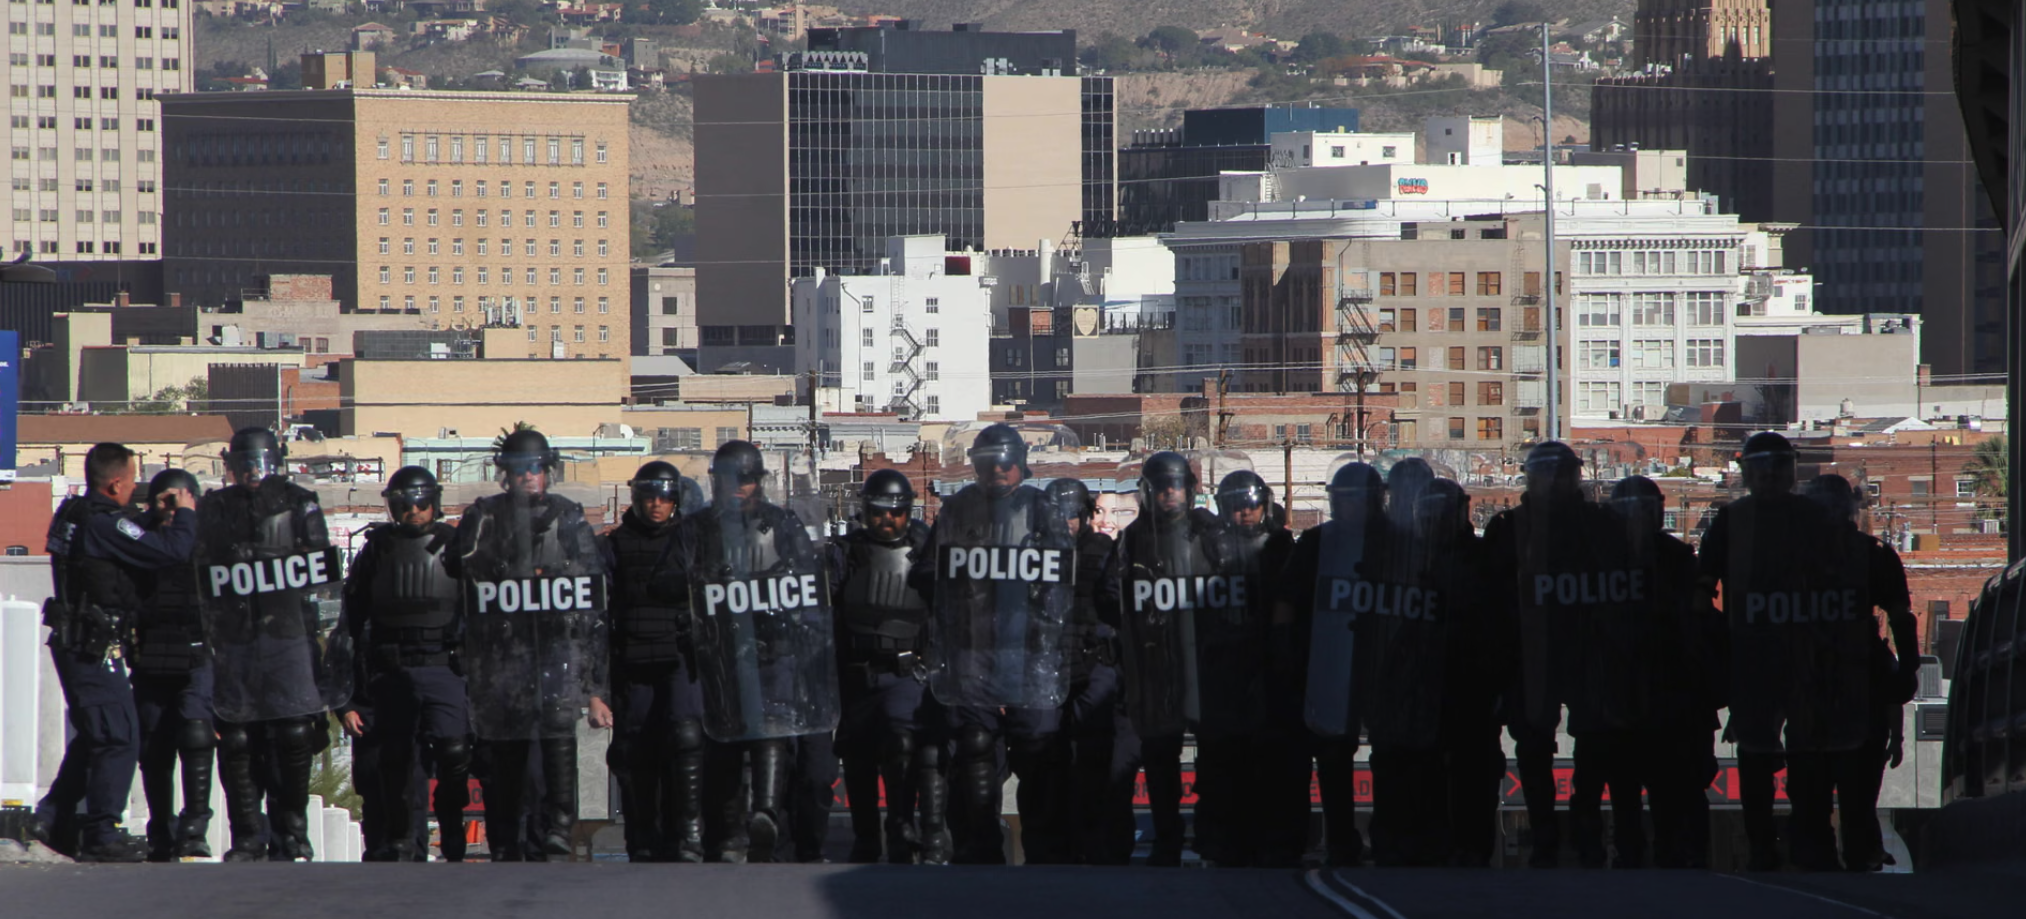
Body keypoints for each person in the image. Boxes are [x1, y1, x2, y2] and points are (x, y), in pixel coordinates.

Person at [908, 423, 1076, 865]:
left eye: (1005, 462)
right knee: (975, 749)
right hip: (973, 651)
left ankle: (1044, 859)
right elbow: (925, 574)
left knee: (1038, 756)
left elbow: (1064, 585)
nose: (998, 471)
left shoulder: (1044, 510)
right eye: (987, 463)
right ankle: (979, 854)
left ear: (1021, 462)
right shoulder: (958, 509)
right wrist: (961, 584)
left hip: (1030, 654)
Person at [450, 428, 613, 861]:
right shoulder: (484, 516)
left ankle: (557, 830)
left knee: (558, 744)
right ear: (506, 474)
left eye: (536, 468)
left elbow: (594, 590)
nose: (528, 477)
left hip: (556, 652)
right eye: (520, 469)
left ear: (549, 471)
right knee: (503, 754)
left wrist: (594, 682)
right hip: (501, 657)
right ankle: (505, 837)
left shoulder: (568, 516)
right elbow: (457, 569)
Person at [673, 440, 836, 863]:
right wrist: (702, 587)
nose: (737, 487)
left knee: (773, 732)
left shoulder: (782, 525)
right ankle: (727, 836)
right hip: (722, 655)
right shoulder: (696, 528)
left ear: (758, 482)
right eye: (729, 479)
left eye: (745, 479)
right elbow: (664, 582)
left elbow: (812, 590)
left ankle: (765, 815)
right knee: (723, 747)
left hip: (776, 651)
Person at [33, 443, 195, 862]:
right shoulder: (103, 524)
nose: (136, 486)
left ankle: (52, 817)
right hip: (92, 643)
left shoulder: (76, 514)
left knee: (95, 736)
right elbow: (168, 552)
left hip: (75, 639)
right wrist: (186, 515)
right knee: (119, 735)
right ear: (116, 483)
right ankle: (102, 831)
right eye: (132, 480)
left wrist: (147, 516)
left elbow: (120, 541)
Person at [197, 427, 350, 862]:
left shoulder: (299, 504)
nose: (251, 471)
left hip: (287, 636)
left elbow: (323, 580)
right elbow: (200, 570)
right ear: (230, 465)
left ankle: (293, 834)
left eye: (258, 461)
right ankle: (247, 836)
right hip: (235, 640)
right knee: (238, 738)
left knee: (293, 733)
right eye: (243, 462)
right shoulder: (216, 509)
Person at [1697, 432, 1838, 871]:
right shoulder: (1731, 521)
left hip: (1806, 656)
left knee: (1808, 754)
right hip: (1753, 658)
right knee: (1756, 756)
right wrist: (1720, 648)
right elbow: (1703, 593)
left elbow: (1840, 584)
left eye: (1780, 467)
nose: (1772, 476)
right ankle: (1762, 845)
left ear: (1792, 471)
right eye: (1763, 468)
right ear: (1747, 473)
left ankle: (1809, 839)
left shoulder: (1814, 519)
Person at [1481, 441, 1622, 869]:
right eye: (1547, 474)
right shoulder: (1510, 528)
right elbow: (1495, 603)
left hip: (1585, 649)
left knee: (1594, 742)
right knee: (1533, 747)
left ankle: (1584, 825)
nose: (1556, 482)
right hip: (1530, 654)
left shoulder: (1600, 524)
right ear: (1532, 478)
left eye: (1563, 474)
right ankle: (1545, 832)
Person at [340, 465, 472, 862]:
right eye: (404, 504)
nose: (413, 511)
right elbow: (352, 614)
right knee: (396, 757)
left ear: (434, 503)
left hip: (443, 666)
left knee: (453, 752)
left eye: (420, 503)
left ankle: (450, 822)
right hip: (392, 670)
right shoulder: (377, 549)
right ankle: (401, 838)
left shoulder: (457, 545)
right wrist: (348, 689)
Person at [1794, 474, 1917, 872]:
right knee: (1849, 792)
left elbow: (1901, 617)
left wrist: (1907, 671)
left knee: (1828, 792)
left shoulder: (1795, 558)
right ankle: (1850, 859)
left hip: (1829, 683)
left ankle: (1834, 861)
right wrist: (1907, 671)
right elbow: (1900, 617)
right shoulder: (1873, 554)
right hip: (1833, 684)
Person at [1273, 460, 1388, 867]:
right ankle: (1337, 840)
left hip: (1381, 666)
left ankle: (1388, 837)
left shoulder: (1394, 544)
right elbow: (1286, 600)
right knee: (1331, 756)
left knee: (1391, 757)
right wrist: (1289, 655)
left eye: (1358, 500)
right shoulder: (1317, 543)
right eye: (1344, 500)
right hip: (1323, 663)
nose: (1351, 508)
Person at [1100, 452, 1212, 866]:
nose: (1169, 493)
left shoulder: (1208, 532)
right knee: (1160, 756)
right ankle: (1167, 839)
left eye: (1176, 485)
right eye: (1161, 486)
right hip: (1154, 663)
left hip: (1203, 662)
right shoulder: (1134, 539)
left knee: (1214, 756)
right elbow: (1112, 594)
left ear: (1190, 489)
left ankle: (1213, 834)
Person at [830, 469, 946, 865]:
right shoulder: (844, 552)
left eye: (896, 512)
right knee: (859, 758)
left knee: (902, 744)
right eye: (879, 511)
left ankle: (900, 826)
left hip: (907, 671)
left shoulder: (927, 550)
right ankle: (865, 839)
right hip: (855, 672)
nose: (887, 519)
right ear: (865, 511)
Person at [1613, 476, 1721, 870]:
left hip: (1668, 694)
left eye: (1648, 508)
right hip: (1644, 693)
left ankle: (1665, 853)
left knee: (1668, 787)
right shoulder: (1669, 558)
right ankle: (1659, 853)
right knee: (1647, 787)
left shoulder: (1674, 558)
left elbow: (1699, 626)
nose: (1642, 517)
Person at [602, 460, 707, 863]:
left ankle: (689, 839)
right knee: (633, 753)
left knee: (686, 741)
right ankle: (642, 839)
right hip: (632, 660)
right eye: (649, 497)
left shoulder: (693, 541)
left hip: (681, 657)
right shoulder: (613, 545)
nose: (657, 504)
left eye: (665, 497)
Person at [1193, 469, 1290, 868]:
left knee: (1265, 767)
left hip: (1264, 668)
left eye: (1252, 505)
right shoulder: (1205, 549)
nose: (1245, 513)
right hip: (1218, 671)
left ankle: (1265, 842)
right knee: (1218, 767)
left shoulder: (1280, 548)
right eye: (1236, 506)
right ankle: (1221, 843)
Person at [127, 469, 216, 862]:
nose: (170, 507)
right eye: (164, 499)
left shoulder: (209, 539)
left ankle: (195, 827)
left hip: (197, 651)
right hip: (150, 651)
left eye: (178, 499)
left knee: (197, 734)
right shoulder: (142, 537)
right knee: (154, 744)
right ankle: (161, 828)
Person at [1044, 477, 1134, 866]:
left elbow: (1117, 606)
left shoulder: (1101, 550)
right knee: (1048, 762)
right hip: (1050, 670)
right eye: (1057, 516)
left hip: (1093, 668)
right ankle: (1060, 846)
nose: (1064, 523)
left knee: (1095, 763)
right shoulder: (1037, 552)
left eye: (1070, 516)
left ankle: (1098, 845)